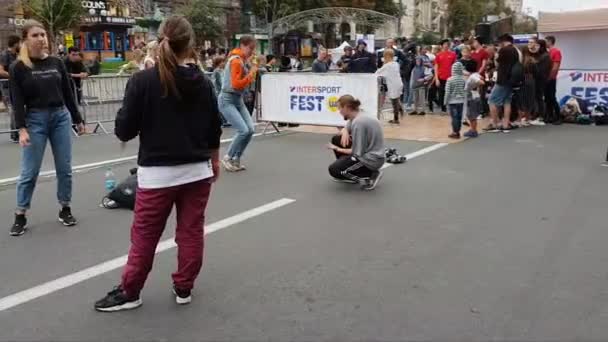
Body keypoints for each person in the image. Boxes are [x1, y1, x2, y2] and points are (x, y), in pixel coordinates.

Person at [94, 16, 222, 312]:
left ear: (160, 41)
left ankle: (130, 291)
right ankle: (184, 287)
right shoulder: (202, 83)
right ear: (189, 44)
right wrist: (215, 161)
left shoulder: (142, 81)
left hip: (157, 176)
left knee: (145, 237)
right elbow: (214, 127)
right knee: (190, 231)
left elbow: (124, 130)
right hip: (196, 171)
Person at [9, 20, 85, 236]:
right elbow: (17, 101)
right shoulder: (19, 67)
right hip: (35, 120)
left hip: (60, 117)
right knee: (29, 172)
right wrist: (22, 129)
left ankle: (65, 208)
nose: (42, 38)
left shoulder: (56, 62)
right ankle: (20, 214)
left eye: (43, 34)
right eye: (36, 35)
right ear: (25, 39)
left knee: (65, 168)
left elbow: (68, 93)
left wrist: (78, 119)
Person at [327, 95, 385, 191]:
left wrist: (337, 149)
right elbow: (348, 125)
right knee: (337, 139)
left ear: (347, 107)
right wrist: (345, 130)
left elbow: (357, 152)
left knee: (334, 170)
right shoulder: (359, 114)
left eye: (340, 109)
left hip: (371, 160)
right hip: (370, 153)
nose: (339, 112)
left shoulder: (359, 123)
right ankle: (351, 169)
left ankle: (370, 175)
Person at [218, 35, 258, 172]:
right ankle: (228, 157)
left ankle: (236, 158)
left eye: (253, 49)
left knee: (250, 129)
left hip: (237, 99)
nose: (252, 51)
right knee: (243, 130)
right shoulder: (236, 61)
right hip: (228, 99)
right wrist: (251, 74)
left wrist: (251, 70)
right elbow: (236, 84)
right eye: (250, 48)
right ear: (242, 45)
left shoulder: (241, 60)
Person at [486, 34, 519, 133]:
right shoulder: (515, 50)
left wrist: (497, 55)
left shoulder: (504, 50)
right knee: (507, 101)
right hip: (511, 79)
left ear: (504, 41)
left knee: (492, 100)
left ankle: (494, 123)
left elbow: (497, 63)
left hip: (502, 79)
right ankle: (506, 123)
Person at [0, 34, 20, 143]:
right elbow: (0, 70)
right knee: (13, 108)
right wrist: (13, 75)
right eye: (19, 43)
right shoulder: (4, 55)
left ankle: (21, 130)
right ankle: (15, 133)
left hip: (16, 85)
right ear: (16, 44)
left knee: (18, 107)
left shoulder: (17, 55)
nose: (21, 45)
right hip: (7, 86)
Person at [375, 49, 403, 124]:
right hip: (398, 83)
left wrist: (384, 63)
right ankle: (399, 111)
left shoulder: (387, 66)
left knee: (394, 102)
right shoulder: (396, 64)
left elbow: (377, 73)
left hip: (393, 85)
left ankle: (396, 118)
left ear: (387, 56)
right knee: (396, 99)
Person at [530, 39, 551, 126]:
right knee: (536, 97)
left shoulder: (545, 56)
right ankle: (537, 115)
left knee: (539, 98)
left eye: (538, 45)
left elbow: (542, 70)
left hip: (541, 80)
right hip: (537, 79)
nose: (536, 47)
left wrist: (534, 64)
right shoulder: (540, 55)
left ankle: (541, 116)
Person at [434, 39, 457, 113]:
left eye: (447, 44)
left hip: (450, 77)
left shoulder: (453, 54)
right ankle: (442, 107)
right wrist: (436, 78)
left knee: (450, 92)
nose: (446, 45)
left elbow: (455, 65)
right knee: (441, 92)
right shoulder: (438, 55)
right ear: (442, 45)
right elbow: (436, 67)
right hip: (441, 77)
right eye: (445, 44)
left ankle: (450, 106)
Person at [444, 62, 466, 139]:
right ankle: (458, 131)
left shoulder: (450, 80)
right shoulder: (463, 80)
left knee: (454, 117)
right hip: (461, 101)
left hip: (452, 102)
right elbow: (465, 90)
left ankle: (455, 132)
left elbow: (447, 92)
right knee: (459, 117)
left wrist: (445, 101)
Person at [463, 60, 485, 138]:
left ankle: (473, 130)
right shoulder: (476, 74)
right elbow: (481, 78)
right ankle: (472, 129)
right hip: (475, 95)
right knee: (472, 115)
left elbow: (482, 82)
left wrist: (474, 86)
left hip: (471, 97)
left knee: (471, 115)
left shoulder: (473, 76)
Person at [545, 35, 562, 125]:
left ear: (550, 41)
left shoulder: (556, 51)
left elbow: (555, 67)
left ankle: (558, 116)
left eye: (546, 41)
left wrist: (551, 77)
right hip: (546, 78)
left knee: (552, 97)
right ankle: (550, 116)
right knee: (547, 98)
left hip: (551, 78)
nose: (545, 43)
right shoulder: (547, 52)